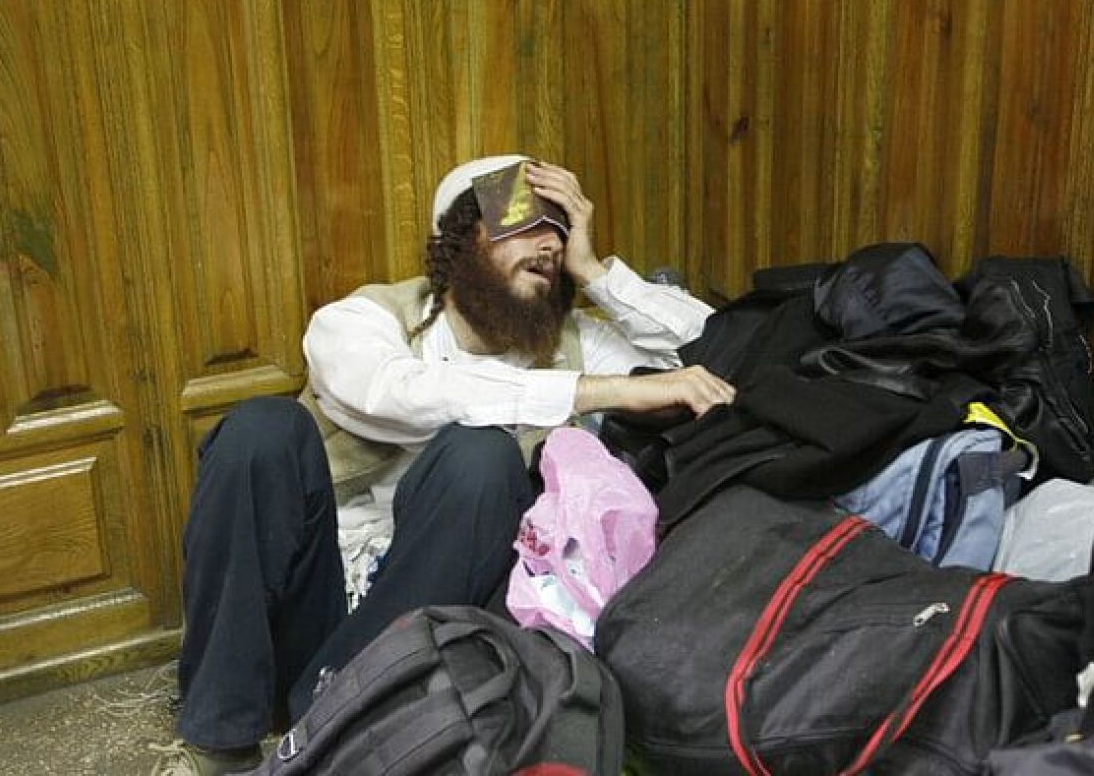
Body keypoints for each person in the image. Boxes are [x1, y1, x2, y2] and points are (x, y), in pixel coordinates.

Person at [153, 155, 732, 775]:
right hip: (309, 606)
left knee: (481, 458)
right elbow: (395, 392)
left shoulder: (571, 343)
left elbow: (717, 347)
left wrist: (594, 272)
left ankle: (345, 726)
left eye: (560, 228)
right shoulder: (365, 319)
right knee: (261, 428)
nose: (547, 243)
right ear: (458, 243)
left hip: (425, 641)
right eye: (524, 223)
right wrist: (600, 391)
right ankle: (219, 740)